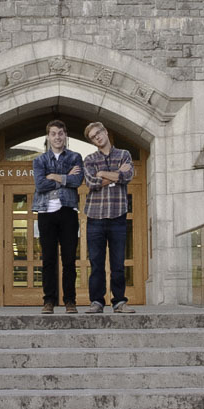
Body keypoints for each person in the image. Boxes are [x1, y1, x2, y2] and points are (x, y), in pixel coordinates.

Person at [82, 121, 135, 314]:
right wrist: (116, 174)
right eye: (93, 137)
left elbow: (128, 176)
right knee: (96, 264)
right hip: (95, 217)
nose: (97, 137)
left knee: (118, 264)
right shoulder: (89, 159)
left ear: (105, 132)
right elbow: (91, 182)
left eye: (98, 133)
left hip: (118, 216)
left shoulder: (124, 154)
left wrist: (103, 173)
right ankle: (97, 302)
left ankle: (119, 302)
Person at [31, 119, 84, 314]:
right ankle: (49, 301)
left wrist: (53, 176)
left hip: (68, 211)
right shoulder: (39, 160)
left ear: (65, 135)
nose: (57, 137)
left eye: (60, 133)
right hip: (46, 213)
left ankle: (70, 301)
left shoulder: (75, 157)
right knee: (49, 260)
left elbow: (77, 180)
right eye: (53, 133)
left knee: (69, 260)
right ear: (48, 136)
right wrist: (64, 178)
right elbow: (40, 185)